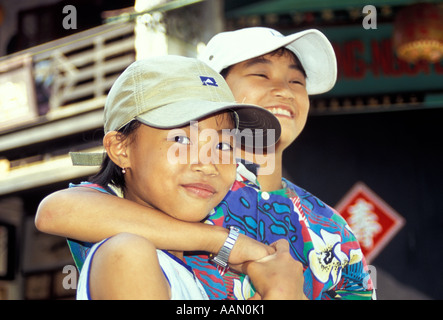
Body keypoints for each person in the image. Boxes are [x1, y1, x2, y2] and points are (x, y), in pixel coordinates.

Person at [36, 27, 374, 300]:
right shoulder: (172, 200)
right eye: (260, 74)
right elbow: (59, 210)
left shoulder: (329, 224)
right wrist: (226, 243)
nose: (283, 91)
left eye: (296, 81)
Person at [65, 55, 300, 299]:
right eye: (181, 140)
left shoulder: (188, 275)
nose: (209, 165)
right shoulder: (126, 253)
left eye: (223, 146)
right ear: (121, 149)